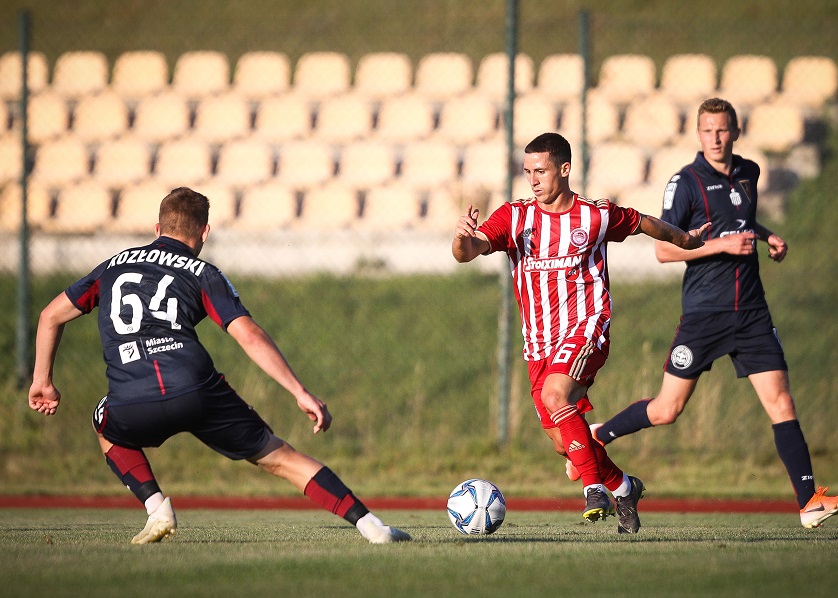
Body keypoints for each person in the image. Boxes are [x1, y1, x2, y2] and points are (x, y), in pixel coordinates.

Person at [28, 187, 410, 545]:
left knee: (103, 421)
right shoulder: (202, 273)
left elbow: (50, 316)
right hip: (195, 386)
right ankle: (371, 527)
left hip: (131, 396)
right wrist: (299, 391)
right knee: (279, 457)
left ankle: (156, 507)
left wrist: (43, 380)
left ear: (157, 228)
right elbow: (249, 335)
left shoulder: (111, 266)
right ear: (205, 232)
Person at [591, 98, 838, 529]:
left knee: (781, 401)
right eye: (707, 130)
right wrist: (721, 247)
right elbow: (663, 249)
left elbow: (741, 221)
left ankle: (809, 502)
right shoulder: (686, 182)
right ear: (699, 134)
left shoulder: (750, 172)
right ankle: (600, 436)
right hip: (704, 314)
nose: (715, 137)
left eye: (722, 129)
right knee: (667, 410)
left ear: (736, 131)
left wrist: (767, 237)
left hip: (752, 313)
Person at [452, 132, 708, 534]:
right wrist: (462, 238)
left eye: (541, 171)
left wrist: (686, 239)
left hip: (587, 325)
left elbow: (644, 223)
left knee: (557, 396)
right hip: (538, 343)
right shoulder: (514, 217)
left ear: (565, 169)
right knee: (563, 441)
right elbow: (468, 253)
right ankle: (624, 487)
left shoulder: (595, 215)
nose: (533, 180)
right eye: (527, 172)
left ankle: (593, 490)